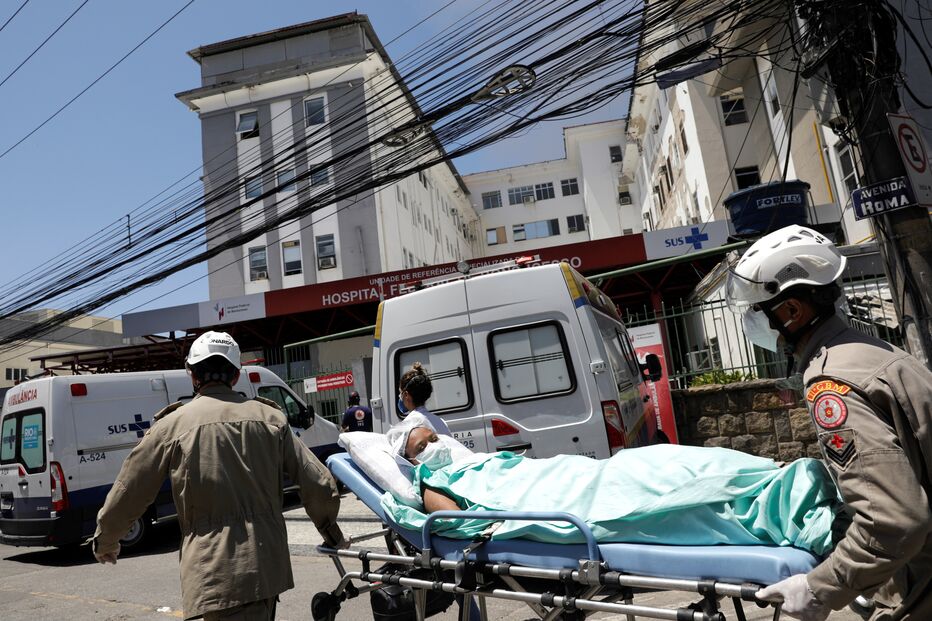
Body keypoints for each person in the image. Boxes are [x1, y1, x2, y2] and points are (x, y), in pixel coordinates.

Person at [725, 225, 932, 621]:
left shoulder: (831, 383)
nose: (751, 321)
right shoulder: (872, 351)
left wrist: (820, 588)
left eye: (757, 310)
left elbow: (893, 522)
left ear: (791, 311)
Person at [93, 331, 346, 621]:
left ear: (192, 375)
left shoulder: (171, 426)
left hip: (215, 572)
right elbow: (318, 482)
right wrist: (332, 534)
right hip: (267, 566)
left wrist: (107, 540)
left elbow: (131, 488)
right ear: (236, 375)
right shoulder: (271, 419)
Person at [397, 361, 451, 435]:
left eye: (400, 393)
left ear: (406, 395)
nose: (400, 397)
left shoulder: (405, 428)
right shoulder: (441, 423)